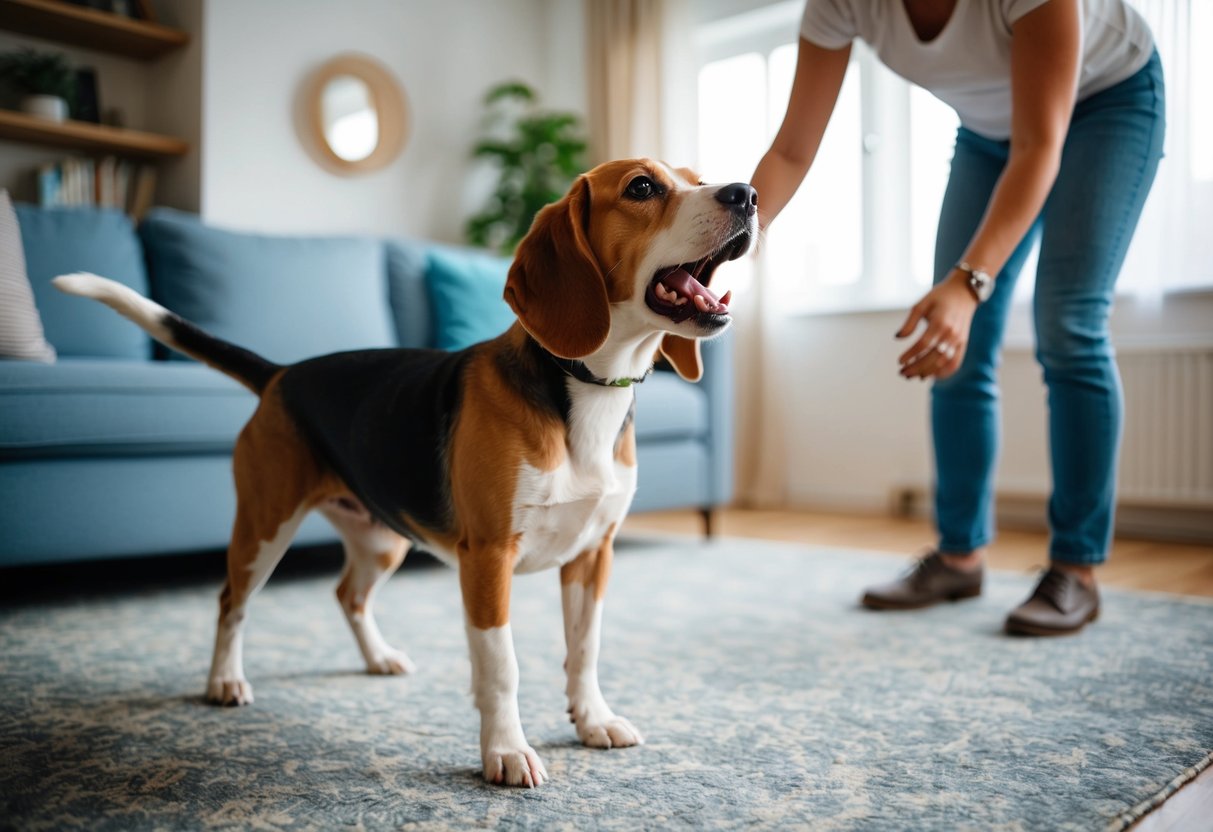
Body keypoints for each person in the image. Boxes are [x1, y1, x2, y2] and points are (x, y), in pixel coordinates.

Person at [750, 0, 1163, 635]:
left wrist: (968, 287)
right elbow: (790, 153)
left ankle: (1076, 568)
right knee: (955, 343)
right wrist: (730, 245)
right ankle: (959, 555)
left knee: (1069, 324)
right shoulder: (836, 5)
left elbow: (1040, 144)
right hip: (992, 135)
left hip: (1108, 104)